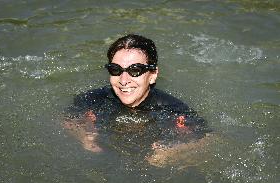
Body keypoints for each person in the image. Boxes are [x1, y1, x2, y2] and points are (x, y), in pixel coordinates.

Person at [64, 34, 209, 156]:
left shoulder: (173, 110)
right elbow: (67, 119)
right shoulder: (92, 99)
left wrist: (173, 153)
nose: (124, 80)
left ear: (152, 75)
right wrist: (83, 135)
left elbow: (208, 141)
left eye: (135, 70)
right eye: (116, 70)